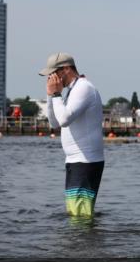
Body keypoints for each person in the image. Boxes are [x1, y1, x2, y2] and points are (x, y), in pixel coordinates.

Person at [41, 53, 104, 218]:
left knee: (80, 216)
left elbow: (64, 120)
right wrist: (50, 95)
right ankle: (83, 243)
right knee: (76, 214)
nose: (51, 77)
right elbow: (54, 123)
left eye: (53, 73)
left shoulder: (84, 88)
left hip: (85, 161)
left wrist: (56, 95)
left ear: (67, 69)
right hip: (75, 161)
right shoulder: (72, 90)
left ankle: (84, 244)